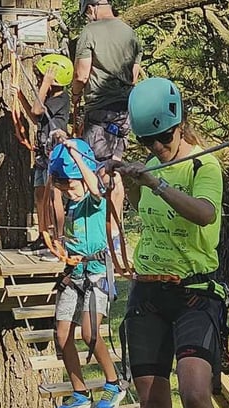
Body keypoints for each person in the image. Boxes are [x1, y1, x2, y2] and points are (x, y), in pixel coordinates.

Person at [111, 77, 229, 408]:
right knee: (151, 403)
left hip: (195, 293)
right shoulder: (149, 167)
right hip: (148, 293)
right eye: (151, 141)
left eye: (165, 138)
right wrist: (124, 182)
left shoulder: (203, 165)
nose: (160, 147)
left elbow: (205, 214)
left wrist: (158, 183)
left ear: (180, 124)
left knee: (194, 392)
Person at [48, 138, 126, 408]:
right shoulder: (70, 202)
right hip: (75, 274)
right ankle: (79, 391)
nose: (68, 192)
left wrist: (74, 153)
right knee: (62, 334)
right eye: (63, 187)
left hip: (96, 273)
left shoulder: (94, 199)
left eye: (71, 185)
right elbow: (53, 193)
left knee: (90, 333)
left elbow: (93, 185)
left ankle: (114, 383)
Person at [72, 0, 141, 247]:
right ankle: (116, 230)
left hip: (100, 108)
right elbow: (133, 74)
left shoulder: (90, 32)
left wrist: (75, 94)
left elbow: (81, 73)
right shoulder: (128, 32)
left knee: (98, 169)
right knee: (117, 167)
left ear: (90, 8)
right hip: (125, 109)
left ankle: (100, 233)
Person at [14, 53, 72, 258]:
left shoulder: (62, 99)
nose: (39, 79)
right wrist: (20, 97)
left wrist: (45, 83)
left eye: (43, 77)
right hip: (42, 154)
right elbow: (35, 117)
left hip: (55, 153)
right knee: (40, 195)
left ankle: (58, 238)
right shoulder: (50, 98)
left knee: (53, 196)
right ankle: (43, 235)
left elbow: (38, 110)